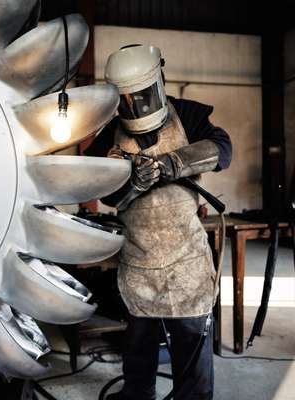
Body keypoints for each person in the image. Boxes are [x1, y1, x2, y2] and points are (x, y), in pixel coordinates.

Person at [85, 44, 232, 400]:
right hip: (138, 264)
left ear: (158, 81)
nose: (135, 107)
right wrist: (130, 184)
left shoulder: (189, 116)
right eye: (127, 100)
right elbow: (101, 190)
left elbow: (223, 149)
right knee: (137, 357)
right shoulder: (109, 134)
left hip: (186, 264)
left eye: (142, 96)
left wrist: (173, 164)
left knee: (191, 358)